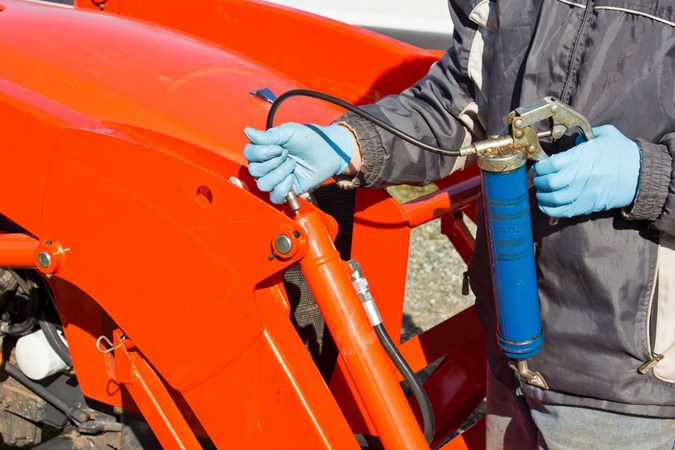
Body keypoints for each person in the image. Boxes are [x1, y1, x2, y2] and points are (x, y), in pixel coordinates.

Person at [244, 1, 675, 448]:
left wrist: (647, 176)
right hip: (513, 346)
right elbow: (459, 101)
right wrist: (349, 143)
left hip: (633, 385)